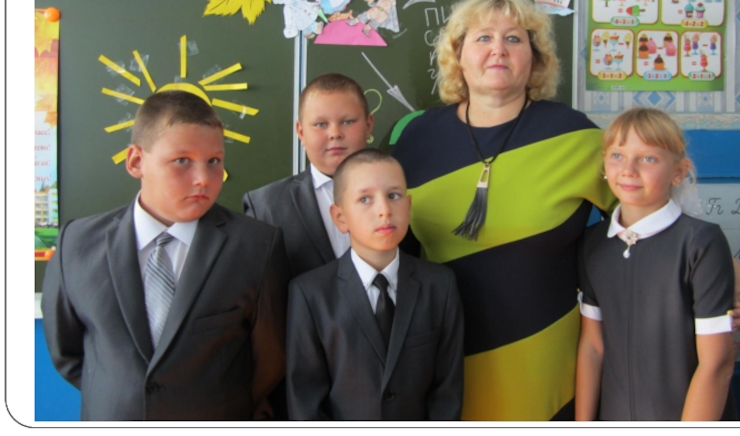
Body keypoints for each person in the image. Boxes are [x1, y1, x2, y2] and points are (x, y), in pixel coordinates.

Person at [391, 0, 740, 421]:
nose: (498, 49)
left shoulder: (573, 135)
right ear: (457, 54)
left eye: (514, 38)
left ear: (536, 58)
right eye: (482, 37)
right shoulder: (414, 138)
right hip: (443, 354)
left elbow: (661, 215)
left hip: (549, 363)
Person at [41, 90, 288, 421]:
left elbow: (269, 361)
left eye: (214, 161)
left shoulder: (255, 246)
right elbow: (68, 353)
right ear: (136, 161)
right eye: (182, 160)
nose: (203, 179)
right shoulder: (77, 244)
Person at [575, 108, 736, 421]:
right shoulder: (592, 244)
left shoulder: (700, 243)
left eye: (648, 158)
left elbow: (716, 365)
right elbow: (593, 347)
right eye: (617, 155)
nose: (628, 170)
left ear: (679, 171)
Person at [286, 149, 464, 420]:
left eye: (394, 196)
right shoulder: (310, 294)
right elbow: (306, 399)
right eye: (365, 199)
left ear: (409, 205)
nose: (384, 210)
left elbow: (447, 392)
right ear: (340, 217)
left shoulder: (440, 286)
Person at [243, 73, 373, 280]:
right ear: (301, 132)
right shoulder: (265, 207)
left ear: (368, 126)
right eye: (320, 124)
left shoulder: (401, 195)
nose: (335, 133)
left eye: (348, 121)